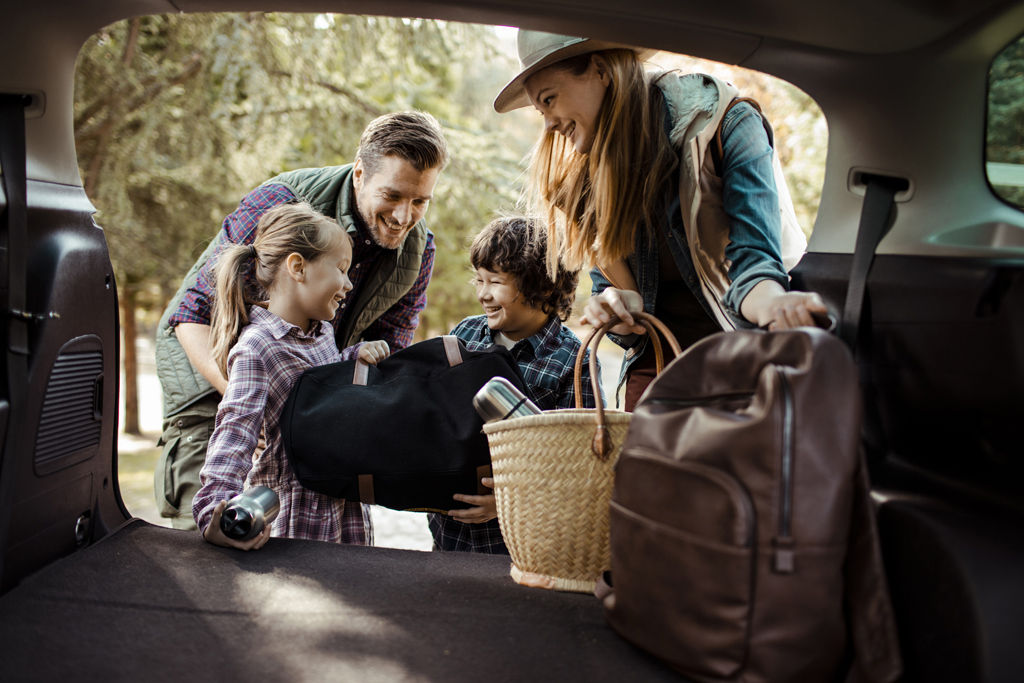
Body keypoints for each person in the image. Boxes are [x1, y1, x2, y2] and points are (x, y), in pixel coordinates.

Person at [494, 30, 829, 410]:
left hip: (744, 359)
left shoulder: (726, 123)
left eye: (549, 100)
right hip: (659, 377)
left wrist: (778, 308)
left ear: (600, 70)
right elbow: (626, 314)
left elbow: (756, 268)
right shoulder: (585, 184)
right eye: (541, 112)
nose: (549, 125)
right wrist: (614, 307)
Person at [154, 111, 448, 529]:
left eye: (420, 201)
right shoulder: (281, 200)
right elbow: (191, 314)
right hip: (213, 376)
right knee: (210, 538)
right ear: (360, 173)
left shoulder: (419, 252)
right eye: (393, 196)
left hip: (304, 396)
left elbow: (386, 359)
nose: (404, 216)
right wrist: (256, 408)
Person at [193, 202, 391, 549]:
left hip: (342, 510)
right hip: (295, 518)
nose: (347, 284)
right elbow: (234, 434)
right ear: (298, 267)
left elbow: (320, 388)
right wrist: (215, 514)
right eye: (341, 269)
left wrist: (351, 358)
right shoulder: (258, 347)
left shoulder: (322, 333)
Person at [428, 215, 602, 555]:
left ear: (543, 285)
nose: (483, 294)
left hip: (519, 544)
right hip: (448, 537)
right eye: (478, 280)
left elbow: (580, 466)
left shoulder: (574, 361)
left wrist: (505, 503)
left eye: (495, 282)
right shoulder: (464, 335)